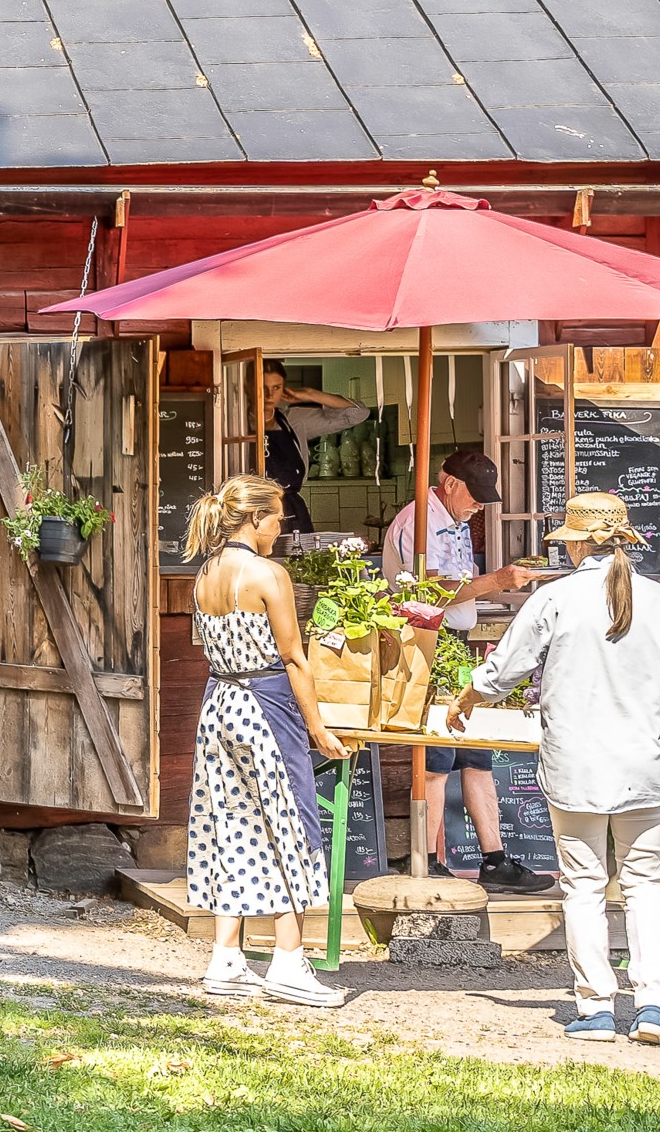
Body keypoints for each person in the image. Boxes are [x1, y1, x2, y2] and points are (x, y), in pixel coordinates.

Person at [449, 491, 660, 1047]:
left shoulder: (556, 599)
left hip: (577, 767)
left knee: (585, 887)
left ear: (577, 543)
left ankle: (595, 1006)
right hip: (646, 764)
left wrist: (466, 698)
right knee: (644, 885)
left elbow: (504, 670)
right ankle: (652, 1004)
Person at [182, 473, 353, 1009]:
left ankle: (226, 956)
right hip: (265, 704)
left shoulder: (206, 573)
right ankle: (288, 961)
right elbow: (294, 657)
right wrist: (318, 727)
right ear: (255, 518)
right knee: (291, 824)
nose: (282, 525)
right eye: (277, 516)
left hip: (219, 704)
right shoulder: (267, 574)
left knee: (230, 822)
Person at [383, 447, 541, 890]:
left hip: (455, 643)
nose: (478, 505)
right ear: (449, 483)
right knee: (436, 753)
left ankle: (493, 859)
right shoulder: (420, 522)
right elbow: (432, 593)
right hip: (426, 644)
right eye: (474, 495)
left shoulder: (453, 519)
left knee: (475, 750)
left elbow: (458, 588)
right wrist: (497, 581)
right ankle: (427, 860)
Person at [265, 373, 370, 534]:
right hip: (251, 507)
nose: (269, 394)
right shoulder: (235, 421)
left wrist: (311, 394)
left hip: (290, 510)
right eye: (262, 388)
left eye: (276, 388)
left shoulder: (294, 420)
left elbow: (357, 414)